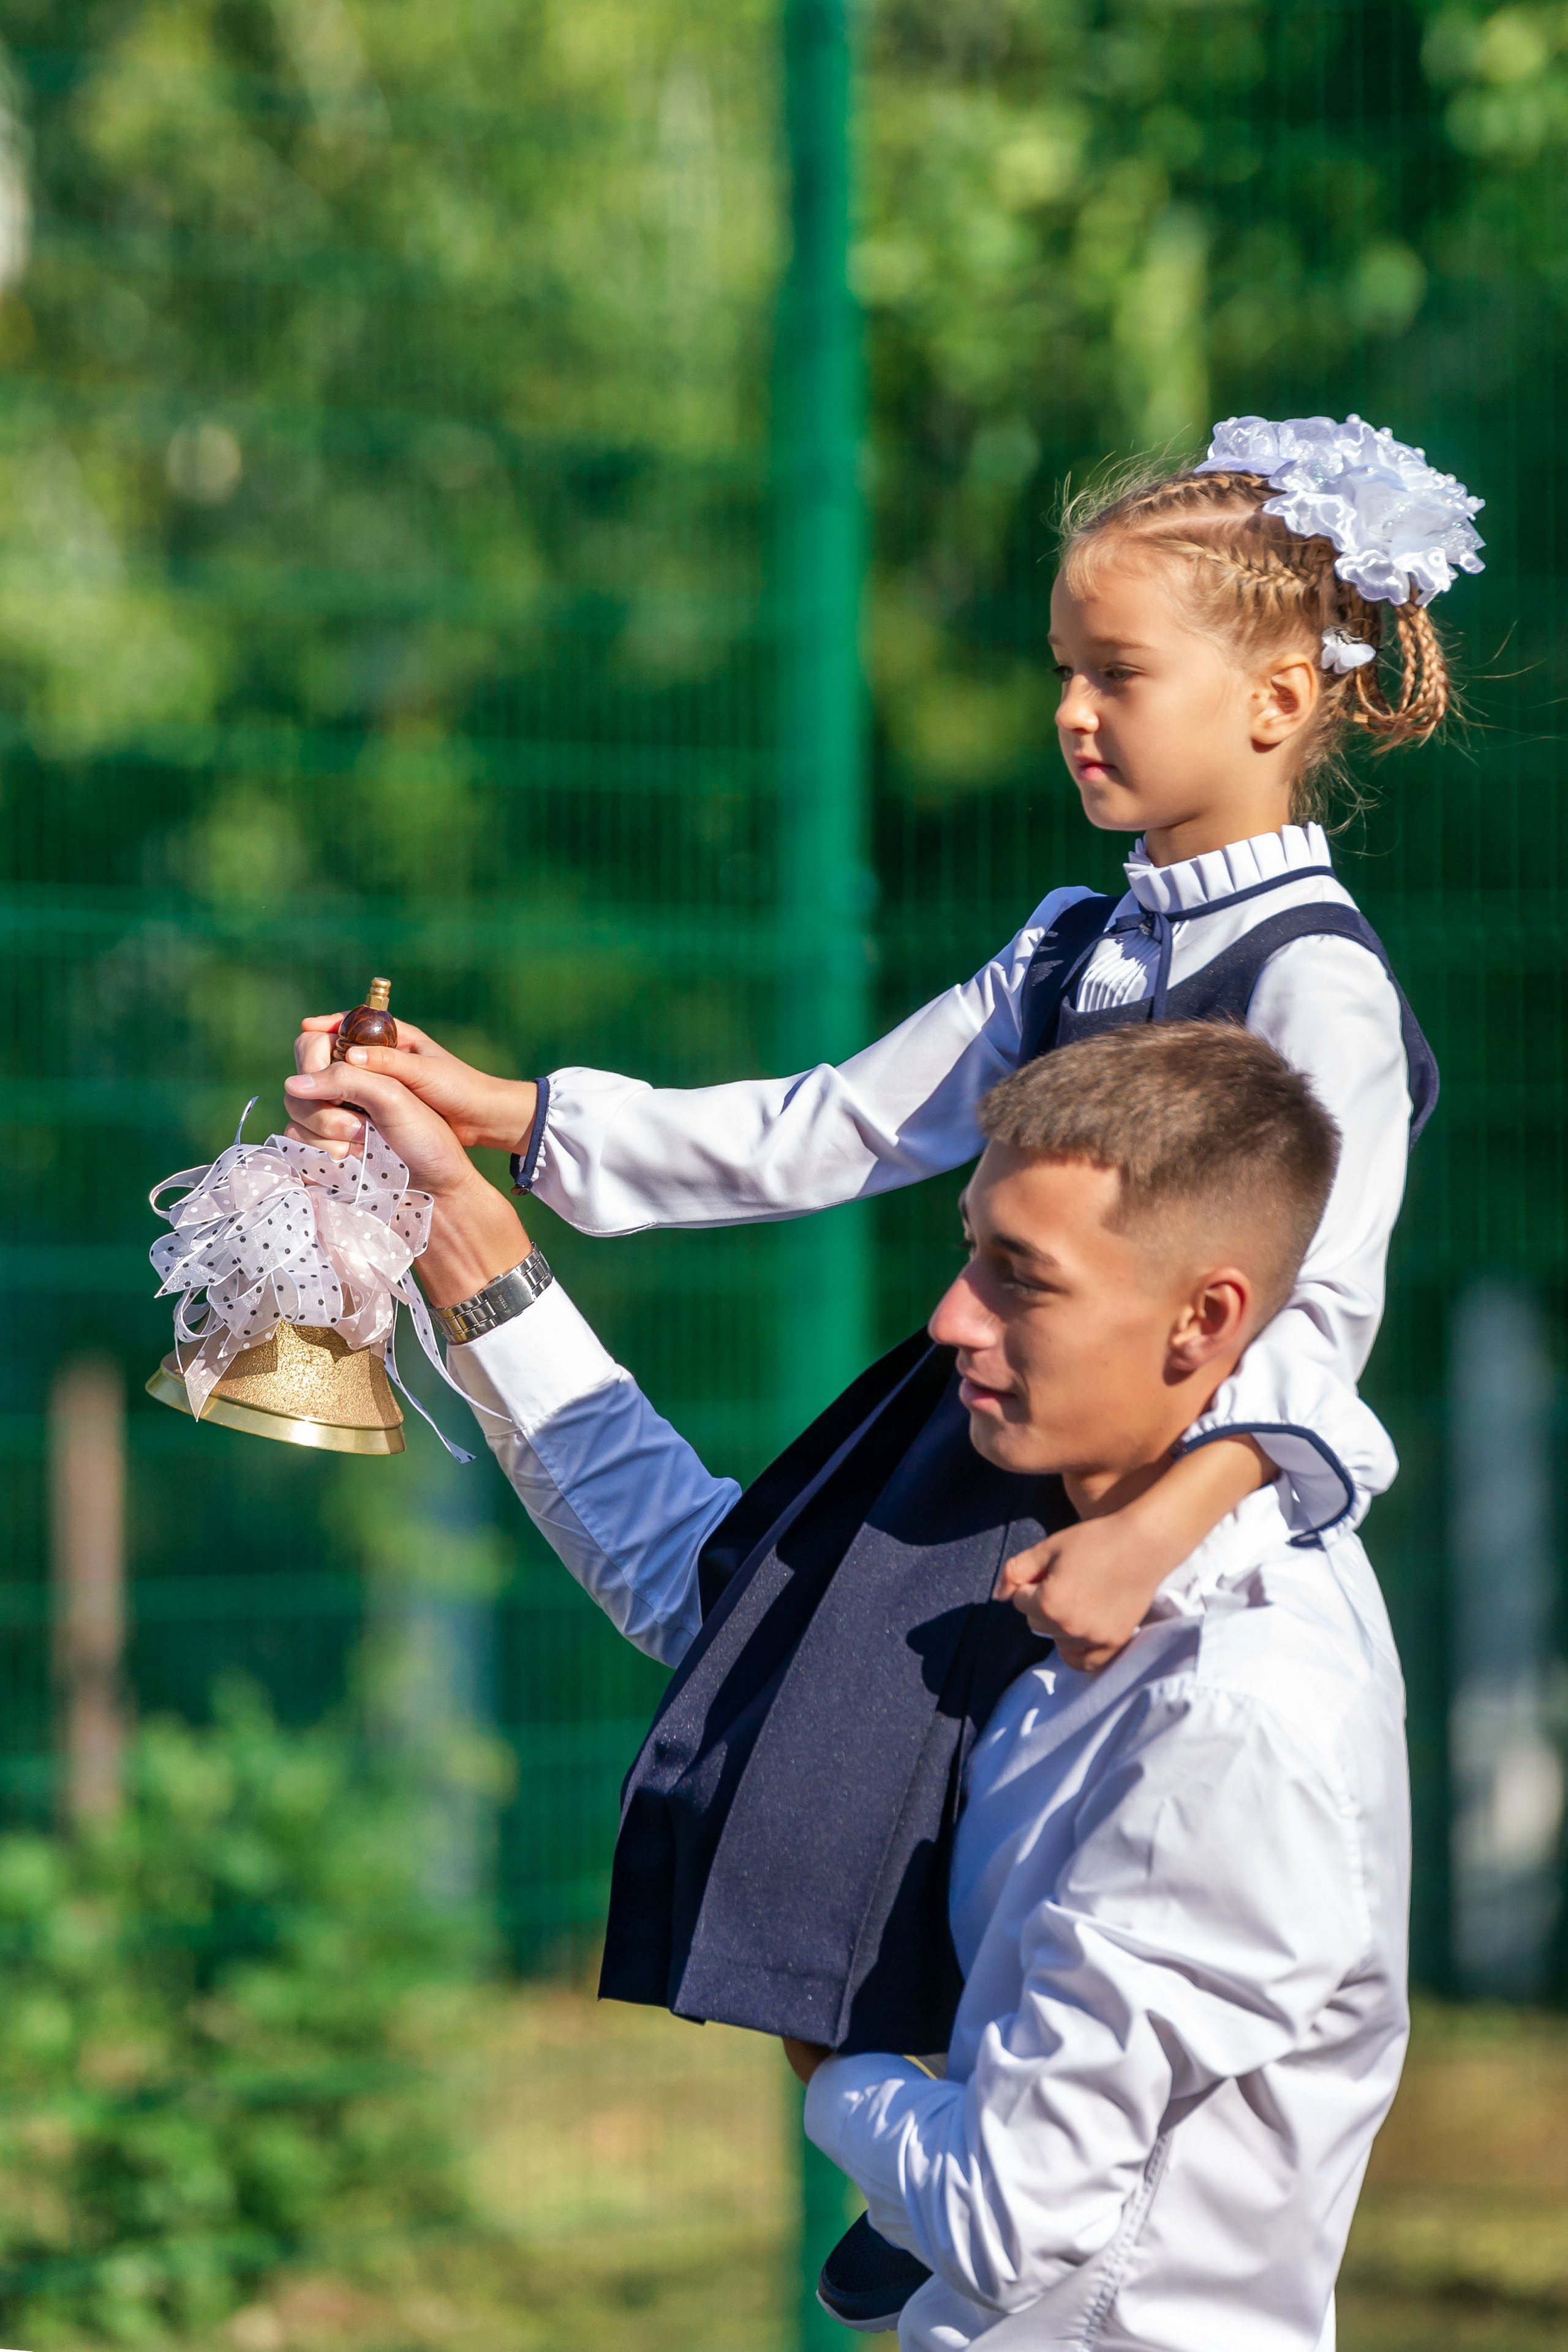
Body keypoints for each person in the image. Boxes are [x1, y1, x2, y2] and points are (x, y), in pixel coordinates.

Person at [285, 413, 1468, 2316]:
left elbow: (1319, 1322)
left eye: (1119, 674)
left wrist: (1157, 1527)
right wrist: (508, 1115)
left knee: (818, 1665)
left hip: (1196, 1486)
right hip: (1037, 1460)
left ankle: (903, 2101)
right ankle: (888, 2056)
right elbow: (829, 1125)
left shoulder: (1313, 981)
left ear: (1274, 701)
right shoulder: (1072, 945)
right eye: (1062, 671)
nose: (1072, 714)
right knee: (773, 1635)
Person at [290, 1019, 1409, 2352]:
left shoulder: (1228, 1713)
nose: (951, 1319)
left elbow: (1007, 2214)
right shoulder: (1053, 1563)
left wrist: (832, 2062)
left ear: (1206, 1319)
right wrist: (459, 1229)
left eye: (1022, 1279)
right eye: (968, 1251)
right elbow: (720, 1603)